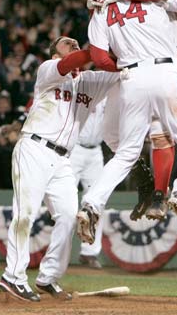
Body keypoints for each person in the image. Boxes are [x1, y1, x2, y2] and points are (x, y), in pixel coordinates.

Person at [77, 0, 177, 246]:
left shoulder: (102, 9)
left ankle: (92, 203)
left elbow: (96, 54)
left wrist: (100, 4)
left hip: (130, 78)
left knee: (124, 154)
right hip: (164, 72)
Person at [0, 36, 120, 302]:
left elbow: (122, 70)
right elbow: (72, 61)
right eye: (68, 43)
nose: (75, 45)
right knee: (25, 213)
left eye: (77, 43)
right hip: (34, 148)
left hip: (64, 159)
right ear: (55, 53)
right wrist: (93, 51)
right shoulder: (47, 70)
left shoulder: (89, 81)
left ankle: (48, 276)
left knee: (68, 215)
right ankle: (13, 275)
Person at [69, 99, 106, 269]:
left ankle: (89, 253)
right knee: (66, 200)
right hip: (75, 149)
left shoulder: (111, 93)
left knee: (97, 202)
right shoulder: (86, 87)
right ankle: (58, 252)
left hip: (96, 152)